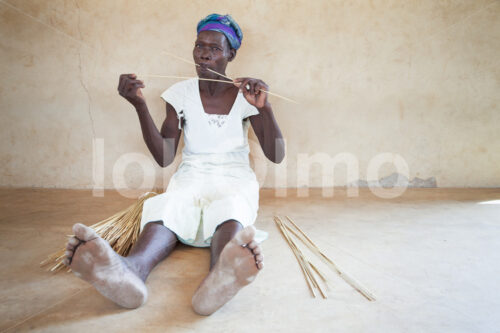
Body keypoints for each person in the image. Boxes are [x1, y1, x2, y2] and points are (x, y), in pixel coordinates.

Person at [62, 13, 285, 315]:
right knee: (168, 206)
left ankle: (220, 276)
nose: (205, 53)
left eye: (215, 48)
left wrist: (265, 108)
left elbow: (276, 155)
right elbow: (165, 156)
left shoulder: (247, 96)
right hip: (191, 175)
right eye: (199, 46)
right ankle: (130, 271)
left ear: (231, 54)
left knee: (231, 207)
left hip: (235, 177)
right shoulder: (179, 94)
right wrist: (139, 105)